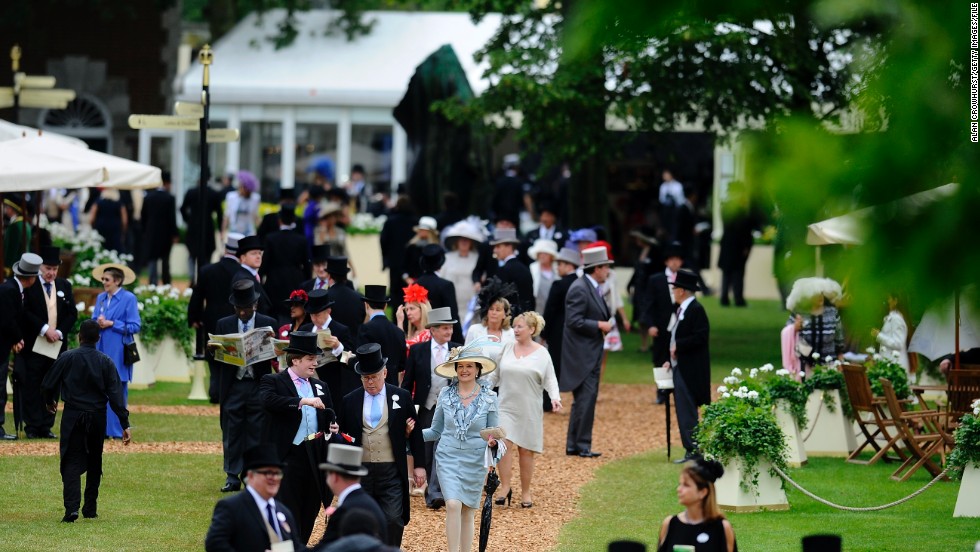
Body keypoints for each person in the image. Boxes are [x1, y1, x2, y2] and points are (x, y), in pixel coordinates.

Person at [41, 319, 131, 522]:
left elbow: (48, 384)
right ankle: (90, 507)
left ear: (79, 337)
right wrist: (124, 424)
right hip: (98, 416)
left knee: (71, 460)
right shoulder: (105, 361)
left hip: (73, 415)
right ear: (98, 338)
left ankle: (71, 508)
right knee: (94, 460)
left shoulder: (67, 357)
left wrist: (49, 402)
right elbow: (116, 395)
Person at [337, 343, 425, 548]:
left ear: (385, 373)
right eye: (366, 378)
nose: (370, 382)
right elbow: (342, 436)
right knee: (361, 521)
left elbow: (416, 432)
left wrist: (420, 465)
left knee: (394, 519)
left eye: (374, 376)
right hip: (361, 470)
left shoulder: (401, 397)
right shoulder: (350, 400)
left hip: (391, 469)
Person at [259, 331, 339, 544]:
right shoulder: (273, 380)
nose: (315, 363)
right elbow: (268, 401)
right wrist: (302, 401)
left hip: (314, 458)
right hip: (287, 456)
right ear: (296, 360)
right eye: (311, 359)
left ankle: (299, 546)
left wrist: (333, 425)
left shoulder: (321, 386)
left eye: (316, 359)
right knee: (285, 512)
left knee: (309, 510)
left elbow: (329, 414)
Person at [423, 342, 502, 552]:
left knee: (468, 511)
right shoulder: (445, 395)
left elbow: (494, 433)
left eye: (469, 366)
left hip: (475, 461)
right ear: (455, 370)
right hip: (448, 457)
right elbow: (435, 431)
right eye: (460, 366)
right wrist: (408, 435)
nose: (464, 370)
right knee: (453, 504)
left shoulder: (490, 398)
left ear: (478, 369)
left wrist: (493, 446)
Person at [213, 280, 277, 493]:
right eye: (238, 308)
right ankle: (232, 476)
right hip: (234, 385)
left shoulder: (268, 324)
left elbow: (275, 358)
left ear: (254, 306)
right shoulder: (224, 324)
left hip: (257, 384)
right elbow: (216, 358)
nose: (242, 312)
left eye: (246, 308)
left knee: (256, 432)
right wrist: (213, 349)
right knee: (232, 431)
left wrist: (274, 345)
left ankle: (251, 475)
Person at [493, 311, 560, 508]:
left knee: (526, 451)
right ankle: (505, 486)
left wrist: (555, 398)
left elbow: (550, 379)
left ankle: (526, 491)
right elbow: (494, 376)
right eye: (514, 326)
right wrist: (479, 392)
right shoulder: (506, 348)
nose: (516, 330)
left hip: (530, 407)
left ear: (532, 329)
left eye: (520, 326)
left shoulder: (542, 353)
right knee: (503, 445)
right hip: (505, 405)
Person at [401, 307, 461, 508]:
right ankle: (429, 488)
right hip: (425, 406)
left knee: (444, 449)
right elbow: (407, 383)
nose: (449, 332)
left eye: (450, 328)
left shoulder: (458, 350)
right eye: (444, 328)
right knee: (425, 448)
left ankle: (437, 492)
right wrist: (405, 408)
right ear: (433, 330)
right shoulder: (418, 350)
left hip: (449, 408)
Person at [560, 246, 615, 458]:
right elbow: (573, 321)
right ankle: (582, 445)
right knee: (586, 398)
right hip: (582, 354)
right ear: (597, 269)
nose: (608, 271)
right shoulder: (580, 288)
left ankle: (575, 444)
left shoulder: (589, 287)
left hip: (589, 352)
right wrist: (600, 325)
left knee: (584, 399)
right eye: (606, 267)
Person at [18, 246, 77, 439]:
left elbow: (72, 314)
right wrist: (45, 329)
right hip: (35, 343)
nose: (51, 273)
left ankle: (46, 425)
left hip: (57, 345)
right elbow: (25, 312)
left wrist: (59, 331)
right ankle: (33, 425)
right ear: (39, 267)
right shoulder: (30, 285)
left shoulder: (64, 286)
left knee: (53, 385)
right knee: (33, 384)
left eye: (54, 269)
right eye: (47, 268)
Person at [204, 445, 304, 552]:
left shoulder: (284, 512)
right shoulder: (231, 507)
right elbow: (214, 545)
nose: (274, 478)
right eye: (267, 473)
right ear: (251, 476)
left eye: (277, 473)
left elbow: (296, 547)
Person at [189, 233, 244, 403]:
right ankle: (230, 392)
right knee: (234, 357)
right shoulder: (242, 272)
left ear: (226, 249)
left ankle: (215, 391)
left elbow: (197, 296)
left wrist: (194, 318)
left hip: (212, 319)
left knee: (214, 356)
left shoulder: (207, 270)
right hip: (236, 319)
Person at [664, 269, 711, 463]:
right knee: (683, 409)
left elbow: (701, 336)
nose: (673, 292)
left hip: (690, 369)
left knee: (687, 410)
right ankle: (690, 447)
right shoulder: (682, 310)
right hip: (680, 366)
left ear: (682, 291)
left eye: (675, 288)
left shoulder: (695, 310)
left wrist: (679, 347)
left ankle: (693, 449)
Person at [91, 262, 141, 439]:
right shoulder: (101, 298)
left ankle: (118, 430)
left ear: (118, 281)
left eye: (107, 279)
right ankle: (102, 429)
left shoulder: (129, 299)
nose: (104, 282)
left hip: (119, 352)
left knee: (117, 391)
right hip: (100, 349)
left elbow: (135, 326)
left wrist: (113, 324)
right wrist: (97, 322)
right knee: (99, 390)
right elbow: (93, 319)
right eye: (103, 279)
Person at [0, 253, 43, 440]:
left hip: (4, 345)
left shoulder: (12, 288)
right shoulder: (9, 290)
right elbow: (7, 319)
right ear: (31, 278)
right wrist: (18, 339)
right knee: (0, 387)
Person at [315, 443, 388, 547]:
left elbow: (325, 549)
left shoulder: (346, 509)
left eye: (327, 474)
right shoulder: (367, 502)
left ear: (335, 476)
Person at [658, 458, 737, 552]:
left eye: (686, 485)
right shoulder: (670, 524)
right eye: (680, 484)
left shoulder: (722, 528)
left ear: (702, 492)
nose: (679, 489)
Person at [643, 242, 684, 404]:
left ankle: (679, 391)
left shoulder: (685, 279)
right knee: (660, 359)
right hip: (661, 327)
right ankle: (662, 392)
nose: (674, 262)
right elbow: (649, 304)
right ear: (666, 261)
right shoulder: (656, 280)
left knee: (680, 357)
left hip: (680, 327)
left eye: (677, 259)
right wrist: (651, 324)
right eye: (671, 259)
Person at [300, 289, 354, 410]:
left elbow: (350, 361)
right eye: (311, 315)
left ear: (328, 311)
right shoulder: (305, 329)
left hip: (332, 387)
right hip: (307, 386)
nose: (314, 319)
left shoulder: (340, 330)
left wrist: (338, 347)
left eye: (317, 315)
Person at [783, 277, 845, 376]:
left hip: (829, 366)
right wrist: (794, 328)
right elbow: (787, 334)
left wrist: (841, 361)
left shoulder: (832, 313)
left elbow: (839, 340)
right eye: (815, 295)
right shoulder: (799, 313)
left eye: (821, 294)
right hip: (804, 368)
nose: (820, 297)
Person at [261, 206, 311, 325]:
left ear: (279, 220)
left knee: (275, 314)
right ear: (294, 221)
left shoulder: (270, 238)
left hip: (274, 281)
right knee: (294, 312)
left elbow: (264, 264)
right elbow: (307, 265)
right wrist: (307, 283)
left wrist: (260, 280)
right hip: (296, 281)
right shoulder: (301, 240)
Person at [541, 247, 580, 397]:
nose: (558, 267)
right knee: (576, 365)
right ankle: (578, 395)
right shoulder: (581, 284)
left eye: (561, 264)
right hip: (576, 331)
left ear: (569, 265)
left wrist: (544, 332)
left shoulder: (559, 285)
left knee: (553, 366)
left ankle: (548, 400)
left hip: (558, 331)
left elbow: (550, 311)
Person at [357, 285, 407, 386]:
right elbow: (402, 365)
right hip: (393, 386)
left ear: (366, 305)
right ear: (385, 306)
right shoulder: (398, 332)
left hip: (371, 385)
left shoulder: (365, 329)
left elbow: (361, 360)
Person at [416, 243, 464, 343]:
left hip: (419, 337)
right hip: (441, 339)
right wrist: (460, 343)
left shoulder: (415, 285)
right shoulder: (446, 285)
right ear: (441, 262)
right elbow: (453, 316)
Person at [464, 277, 517, 366]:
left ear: (505, 314)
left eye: (498, 310)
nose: (494, 313)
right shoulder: (474, 330)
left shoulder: (511, 334)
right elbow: (466, 358)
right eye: (491, 309)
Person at [180, 182, 223, 284]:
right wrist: (221, 228)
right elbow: (220, 213)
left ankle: (192, 278)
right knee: (206, 255)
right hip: (208, 227)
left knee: (192, 255)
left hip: (193, 227)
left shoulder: (191, 192)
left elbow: (182, 209)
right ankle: (204, 278)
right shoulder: (214, 193)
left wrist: (188, 220)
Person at [140, 171, 179, 285]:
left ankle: (153, 282)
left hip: (151, 233)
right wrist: (175, 234)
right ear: (167, 183)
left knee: (152, 259)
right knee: (165, 260)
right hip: (165, 234)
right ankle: (166, 282)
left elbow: (143, 216)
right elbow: (172, 218)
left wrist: (145, 231)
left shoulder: (149, 197)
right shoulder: (169, 198)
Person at [486, 227, 534, 316]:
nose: (495, 250)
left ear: (509, 246)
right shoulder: (525, 269)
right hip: (525, 320)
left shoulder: (504, 270)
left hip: (509, 320)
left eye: (498, 246)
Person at [441, 219, 484, 318]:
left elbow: (482, 276)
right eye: (461, 239)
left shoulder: (478, 257)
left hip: (472, 305)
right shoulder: (447, 257)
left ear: (471, 242)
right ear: (457, 241)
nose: (464, 242)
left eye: (467, 239)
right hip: (451, 303)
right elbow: (442, 279)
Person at [232, 235, 273, 316]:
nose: (258, 256)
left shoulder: (252, 275)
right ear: (243, 257)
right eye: (253, 253)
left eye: (260, 253)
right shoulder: (243, 279)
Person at [325, 255, 366, 338]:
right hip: (354, 347)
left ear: (329, 276)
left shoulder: (325, 297)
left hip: (331, 346)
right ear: (346, 277)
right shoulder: (360, 298)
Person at [872, 292, 911, 376]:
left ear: (895, 301)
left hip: (896, 368)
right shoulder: (890, 318)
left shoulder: (896, 319)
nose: (887, 301)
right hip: (890, 367)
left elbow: (898, 343)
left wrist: (879, 336)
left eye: (889, 298)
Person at [222, 169, 262, 237]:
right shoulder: (231, 196)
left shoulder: (255, 198)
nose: (244, 189)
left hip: (248, 233)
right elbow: (227, 216)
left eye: (247, 188)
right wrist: (223, 232)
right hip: (234, 231)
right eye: (243, 186)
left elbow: (256, 217)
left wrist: (262, 231)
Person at [395, 283, 432, 353]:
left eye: (412, 309)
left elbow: (403, 348)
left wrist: (400, 322)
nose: (408, 313)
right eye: (407, 310)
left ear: (422, 310)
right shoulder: (413, 333)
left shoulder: (428, 334)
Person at [403, 216, 441, 284]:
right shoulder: (412, 247)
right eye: (421, 230)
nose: (421, 232)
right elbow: (403, 265)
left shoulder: (436, 249)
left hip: (431, 282)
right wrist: (407, 278)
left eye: (424, 230)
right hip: (413, 281)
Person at [528, 239, 559, 314]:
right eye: (540, 253)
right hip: (536, 308)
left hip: (554, 309)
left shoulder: (557, 269)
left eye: (545, 254)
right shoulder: (532, 268)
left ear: (552, 256)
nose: (542, 256)